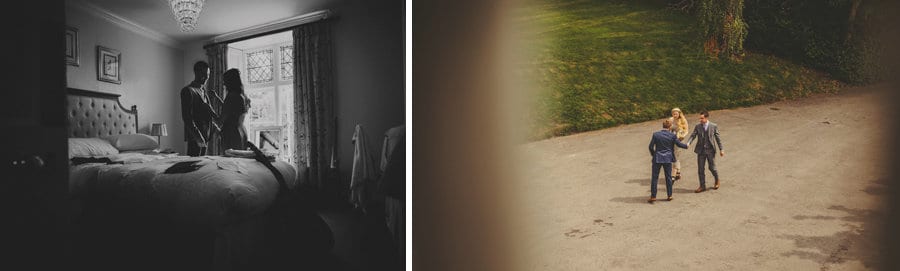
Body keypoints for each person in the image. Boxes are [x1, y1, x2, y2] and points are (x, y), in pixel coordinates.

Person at [180, 61, 217, 156]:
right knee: (193, 166)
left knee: (202, 166)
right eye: (203, 75)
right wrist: (198, 137)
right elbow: (187, 117)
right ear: (196, 73)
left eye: (207, 75)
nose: (206, 78)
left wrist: (212, 131)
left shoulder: (204, 91)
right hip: (195, 137)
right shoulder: (187, 90)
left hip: (206, 135)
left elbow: (207, 114)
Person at [648, 119, 688, 203]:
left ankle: (653, 196)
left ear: (663, 126)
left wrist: (654, 154)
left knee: (655, 178)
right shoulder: (672, 136)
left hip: (657, 158)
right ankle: (669, 195)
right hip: (667, 158)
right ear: (670, 127)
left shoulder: (656, 134)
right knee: (668, 177)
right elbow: (678, 144)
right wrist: (686, 146)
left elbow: (651, 147)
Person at [685, 110, 725, 193]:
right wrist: (688, 143)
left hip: (710, 150)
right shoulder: (698, 126)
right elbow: (693, 135)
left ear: (706, 118)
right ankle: (702, 186)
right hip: (701, 151)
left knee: (712, 167)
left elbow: (718, 138)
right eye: (700, 118)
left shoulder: (713, 126)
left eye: (702, 118)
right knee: (700, 169)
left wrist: (721, 149)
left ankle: (717, 180)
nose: (700, 120)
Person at [221, 68, 251, 151]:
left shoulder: (231, 96)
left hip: (231, 135)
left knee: (230, 162)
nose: (224, 84)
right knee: (240, 162)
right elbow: (232, 110)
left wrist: (209, 110)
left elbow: (221, 120)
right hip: (242, 132)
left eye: (225, 81)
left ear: (230, 81)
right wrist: (217, 98)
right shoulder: (243, 96)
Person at [668, 108, 689, 181]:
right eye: (673, 114)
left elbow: (686, 131)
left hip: (679, 140)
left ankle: (674, 173)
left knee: (675, 156)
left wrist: (682, 136)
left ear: (679, 113)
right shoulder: (671, 119)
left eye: (676, 114)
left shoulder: (683, 120)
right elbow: (668, 128)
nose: (674, 115)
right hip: (671, 140)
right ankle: (678, 172)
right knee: (675, 156)